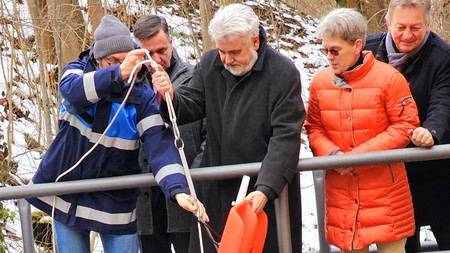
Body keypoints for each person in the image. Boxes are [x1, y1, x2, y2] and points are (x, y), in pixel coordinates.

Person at [26, 15, 207, 253]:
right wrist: (117, 74)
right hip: (67, 191)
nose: (125, 69)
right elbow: (74, 94)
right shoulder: (77, 71)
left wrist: (178, 189)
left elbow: (159, 145)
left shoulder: (142, 95)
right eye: (113, 62)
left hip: (115, 199)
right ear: (98, 58)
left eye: (125, 62)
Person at [153, 3, 305, 252]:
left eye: (234, 52)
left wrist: (265, 190)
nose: (226, 59)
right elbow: (188, 105)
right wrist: (169, 96)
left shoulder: (283, 73)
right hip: (216, 191)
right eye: (221, 51)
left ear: (255, 41)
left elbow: (285, 138)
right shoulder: (211, 63)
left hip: (263, 190)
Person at [305, 8, 420, 253]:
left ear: (357, 45)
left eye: (334, 50)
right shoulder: (320, 82)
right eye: (325, 50)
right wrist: (334, 156)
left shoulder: (389, 78)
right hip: (343, 194)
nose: (329, 57)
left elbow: (406, 124)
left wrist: (359, 157)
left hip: (386, 196)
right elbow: (313, 128)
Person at [364, 0, 450, 251]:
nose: (407, 35)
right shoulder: (366, 50)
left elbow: (443, 104)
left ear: (428, 25)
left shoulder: (442, 57)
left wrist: (430, 132)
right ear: (388, 22)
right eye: (401, 27)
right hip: (388, 176)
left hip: (435, 170)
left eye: (416, 27)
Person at [133, 14, 206, 253]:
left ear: (172, 42)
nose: (155, 60)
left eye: (161, 51)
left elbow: (210, 137)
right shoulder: (130, 85)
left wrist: (192, 179)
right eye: (147, 55)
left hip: (188, 194)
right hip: (145, 200)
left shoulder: (195, 77)